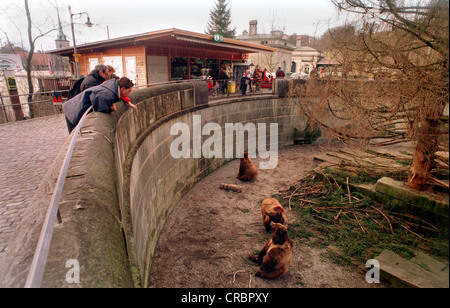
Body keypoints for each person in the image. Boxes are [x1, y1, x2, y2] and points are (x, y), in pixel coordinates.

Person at [63, 77, 134, 133]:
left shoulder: (111, 86)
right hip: (73, 111)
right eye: (129, 91)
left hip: (74, 106)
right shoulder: (108, 93)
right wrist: (110, 108)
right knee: (75, 137)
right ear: (123, 89)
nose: (129, 93)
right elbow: (101, 108)